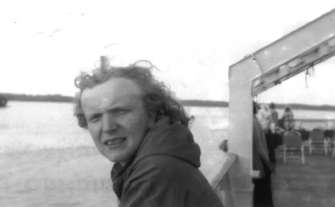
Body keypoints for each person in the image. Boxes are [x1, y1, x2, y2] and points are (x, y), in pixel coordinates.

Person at [73, 57, 224, 207]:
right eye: (95, 117)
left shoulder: (155, 172)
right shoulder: (157, 158)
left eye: (120, 111)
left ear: (151, 114)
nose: (107, 127)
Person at [253, 102, 275, 207]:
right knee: (265, 196)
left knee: (261, 197)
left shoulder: (252, 123)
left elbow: (259, 147)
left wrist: (267, 163)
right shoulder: (255, 120)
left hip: (260, 163)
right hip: (263, 161)